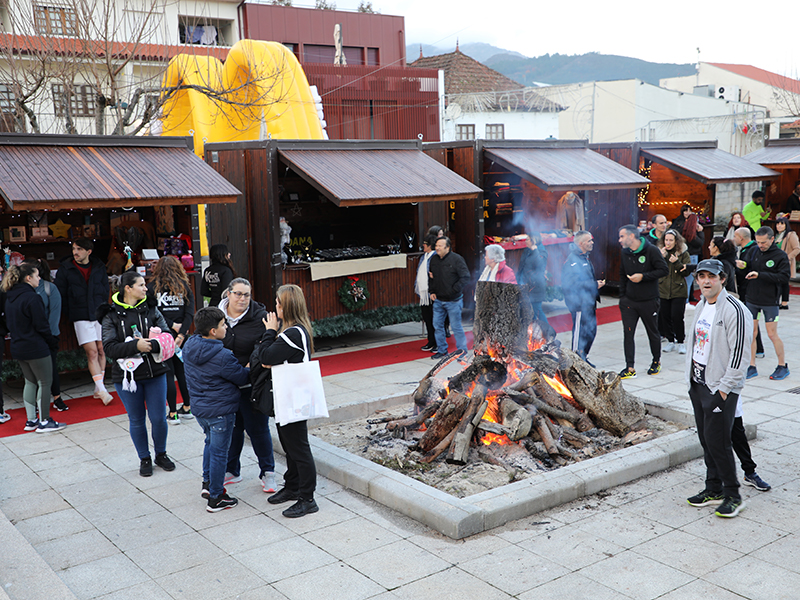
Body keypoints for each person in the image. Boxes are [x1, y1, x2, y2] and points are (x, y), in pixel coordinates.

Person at [685, 258, 751, 518]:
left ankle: (733, 495)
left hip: (720, 388)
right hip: (699, 384)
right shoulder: (702, 305)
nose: (706, 281)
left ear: (722, 278)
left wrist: (723, 390)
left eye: (711, 276)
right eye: (701, 276)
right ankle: (713, 488)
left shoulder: (735, 309)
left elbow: (740, 355)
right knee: (706, 440)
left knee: (719, 442)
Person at [99, 270, 176, 476]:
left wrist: (152, 344)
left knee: (159, 418)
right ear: (128, 288)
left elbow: (167, 334)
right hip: (126, 378)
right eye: (141, 285)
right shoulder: (111, 314)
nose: (146, 288)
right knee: (136, 419)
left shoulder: (151, 309)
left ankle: (161, 454)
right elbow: (109, 348)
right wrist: (136, 346)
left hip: (156, 373)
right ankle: (144, 458)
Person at [258, 284, 319, 518]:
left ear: (286, 306)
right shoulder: (297, 330)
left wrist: (270, 331)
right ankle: (293, 486)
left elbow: (265, 357)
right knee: (290, 447)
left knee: (299, 449)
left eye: (278, 303)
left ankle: (307, 498)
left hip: (293, 398)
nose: (275, 307)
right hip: (289, 396)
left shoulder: (292, 333)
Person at [183, 307, 250, 512]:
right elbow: (241, 377)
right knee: (220, 452)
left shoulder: (189, 346)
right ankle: (216, 497)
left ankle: (208, 483)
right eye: (223, 325)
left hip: (200, 409)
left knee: (210, 443)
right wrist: (248, 368)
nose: (226, 327)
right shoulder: (222, 355)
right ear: (213, 331)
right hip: (221, 410)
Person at [220, 278, 276, 493]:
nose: (242, 298)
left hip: (253, 383)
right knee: (232, 429)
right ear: (228, 293)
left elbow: (266, 344)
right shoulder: (218, 316)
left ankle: (268, 472)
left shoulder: (260, 317)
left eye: (246, 294)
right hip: (226, 384)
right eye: (238, 294)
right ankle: (232, 470)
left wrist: (250, 364)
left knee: (258, 429)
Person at [2, 264, 65, 433]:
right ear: (28, 278)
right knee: (44, 382)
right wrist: (51, 342)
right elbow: (42, 325)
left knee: (30, 382)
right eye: (37, 276)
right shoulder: (32, 297)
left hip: (18, 346)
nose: (39, 279)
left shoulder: (10, 298)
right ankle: (44, 420)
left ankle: (31, 420)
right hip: (36, 346)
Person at [54, 238, 112, 405]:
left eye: (79, 249)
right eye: (74, 249)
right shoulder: (66, 269)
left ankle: (98, 388)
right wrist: (69, 311)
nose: (75, 252)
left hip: (99, 313)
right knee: (92, 352)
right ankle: (102, 389)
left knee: (102, 349)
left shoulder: (99, 266)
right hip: (80, 315)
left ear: (89, 251)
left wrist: (103, 307)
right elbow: (60, 294)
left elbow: (105, 288)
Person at [617, 224, 669, 379]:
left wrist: (643, 276)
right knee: (628, 334)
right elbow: (622, 274)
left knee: (652, 332)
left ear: (631, 236)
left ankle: (656, 361)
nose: (619, 240)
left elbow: (663, 270)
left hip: (649, 300)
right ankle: (630, 367)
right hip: (629, 302)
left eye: (622, 236)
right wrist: (622, 297)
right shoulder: (624, 253)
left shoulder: (651, 250)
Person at [148, 256, 195, 423]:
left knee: (168, 373)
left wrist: (172, 326)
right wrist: (182, 333)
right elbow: (190, 313)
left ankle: (173, 413)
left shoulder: (152, 287)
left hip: (163, 337)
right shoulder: (185, 287)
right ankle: (188, 408)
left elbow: (152, 313)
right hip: (182, 338)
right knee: (183, 372)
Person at [742, 226, 790, 381]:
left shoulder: (780, 256)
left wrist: (760, 275)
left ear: (771, 239)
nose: (760, 245)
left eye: (763, 242)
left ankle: (782, 366)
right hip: (752, 299)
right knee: (752, 333)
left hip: (770, 300)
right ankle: (751, 366)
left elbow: (783, 277)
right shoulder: (754, 251)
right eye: (758, 242)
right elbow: (748, 267)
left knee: (771, 333)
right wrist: (742, 267)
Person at [24, 258, 67, 412]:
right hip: (30, 336)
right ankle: (34, 403)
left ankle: (57, 397)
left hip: (49, 335)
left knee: (51, 368)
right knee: (32, 372)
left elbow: (55, 314)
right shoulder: (21, 290)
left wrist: (49, 335)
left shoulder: (50, 288)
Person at [561, 231, 604, 363]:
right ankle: (575, 362)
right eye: (589, 241)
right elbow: (571, 285)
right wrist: (594, 285)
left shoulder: (584, 257)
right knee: (579, 334)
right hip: (579, 304)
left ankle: (583, 357)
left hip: (589, 302)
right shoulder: (572, 260)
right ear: (581, 243)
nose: (592, 243)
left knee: (591, 332)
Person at [428, 237, 470, 360]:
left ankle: (462, 351)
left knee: (456, 327)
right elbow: (431, 277)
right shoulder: (433, 259)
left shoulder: (457, 259)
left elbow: (465, 277)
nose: (437, 248)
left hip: (454, 300)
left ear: (447, 247)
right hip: (438, 300)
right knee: (437, 325)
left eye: (440, 246)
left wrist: (454, 289)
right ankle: (442, 350)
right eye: (436, 245)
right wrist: (432, 291)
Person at [733, 227, 766, 359]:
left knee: (751, 320)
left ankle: (758, 349)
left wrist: (743, 266)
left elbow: (754, 267)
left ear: (741, 237)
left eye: (735, 236)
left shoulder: (753, 249)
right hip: (744, 289)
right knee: (748, 320)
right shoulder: (746, 249)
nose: (733, 239)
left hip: (750, 290)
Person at [657, 229, 690, 354]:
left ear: (676, 241)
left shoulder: (683, 253)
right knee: (665, 316)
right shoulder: (660, 252)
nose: (668, 242)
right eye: (666, 240)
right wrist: (661, 258)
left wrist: (676, 262)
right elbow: (655, 268)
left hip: (678, 289)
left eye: (671, 240)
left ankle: (681, 342)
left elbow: (686, 272)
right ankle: (670, 340)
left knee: (677, 316)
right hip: (663, 289)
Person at [516, 233, 554, 339]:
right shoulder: (526, 250)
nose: (525, 241)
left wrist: (535, 250)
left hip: (536, 287)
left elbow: (540, 265)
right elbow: (522, 267)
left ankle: (548, 332)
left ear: (533, 240)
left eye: (527, 239)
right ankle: (535, 335)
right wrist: (518, 280)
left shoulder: (541, 251)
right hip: (525, 285)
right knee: (530, 311)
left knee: (537, 310)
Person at [416, 235, 438, 352]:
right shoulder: (423, 257)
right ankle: (430, 341)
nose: (423, 245)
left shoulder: (435, 256)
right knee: (427, 318)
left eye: (425, 243)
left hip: (432, 292)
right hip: (423, 294)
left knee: (435, 319)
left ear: (430, 245)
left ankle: (437, 343)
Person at [774, 216, 799, 308]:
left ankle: (784, 303)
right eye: (777, 223)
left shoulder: (791, 235)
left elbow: (797, 249)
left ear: (786, 225)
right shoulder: (776, 236)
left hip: (785, 263)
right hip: (776, 263)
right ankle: (777, 300)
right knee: (777, 282)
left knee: (784, 283)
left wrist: (787, 258)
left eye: (782, 224)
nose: (779, 226)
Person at [681, 213, 705, 304]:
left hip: (685, 256)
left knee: (686, 281)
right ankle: (685, 302)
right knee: (689, 281)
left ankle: (686, 300)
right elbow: (700, 243)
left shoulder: (683, 230)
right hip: (693, 256)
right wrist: (700, 232)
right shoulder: (693, 233)